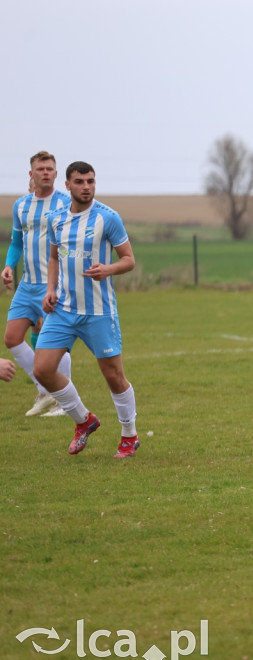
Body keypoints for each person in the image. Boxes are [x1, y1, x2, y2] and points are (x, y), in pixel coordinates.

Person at [32, 161, 140, 458]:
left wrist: (108, 269)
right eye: (79, 181)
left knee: (114, 376)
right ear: (67, 185)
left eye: (91, 181)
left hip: (99, 312)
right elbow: (54, 258)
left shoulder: (108, 218)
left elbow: (129, 259)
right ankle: (84, 420)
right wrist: (50, 289)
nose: (86, 187)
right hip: (63, 310)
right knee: (42, 369)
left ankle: (129, 435)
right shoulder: (56, 219)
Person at [3, 151, 73, 417]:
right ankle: (46, 391)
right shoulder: (21, 205)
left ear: (56, 174)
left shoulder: (67, 203)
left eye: (50, 168)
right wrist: (10, 265)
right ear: (31, 174)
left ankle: (65, 401)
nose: (45, 172)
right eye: (40, 168)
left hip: (53, 284)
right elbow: (17, 243)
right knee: (11, 339)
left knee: (55, 343)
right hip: (27, 286)